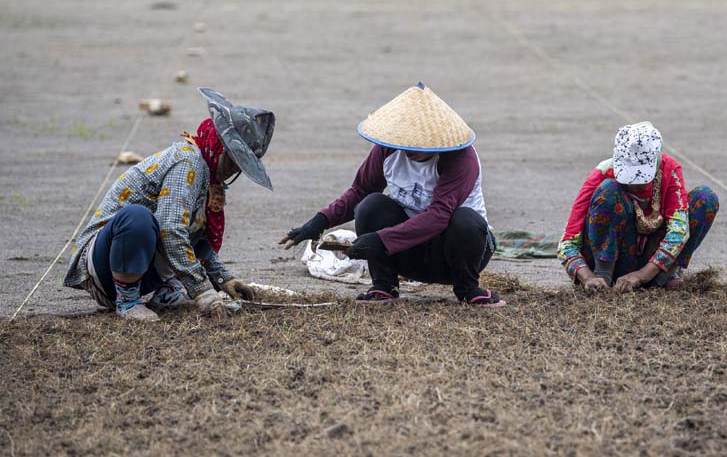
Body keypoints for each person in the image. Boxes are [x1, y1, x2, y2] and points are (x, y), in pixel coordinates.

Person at [280, 82, 505, 307]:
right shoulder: (388, 149)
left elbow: (438, 216)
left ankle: (468, 289)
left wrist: (380, 240)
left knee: (466, 220)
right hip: (408, 254)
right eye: (404, 141)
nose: (408, 149)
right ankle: (384, 286)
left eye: (418, 144)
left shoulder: (461, 159)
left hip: (455, 255)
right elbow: (360, 190)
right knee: (370, 205)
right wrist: (319, 222)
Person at [63, 88, 275, 320]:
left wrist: (224, 278)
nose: (235, 169)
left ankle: (168, 292)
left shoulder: (209, 178)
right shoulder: (188, 161)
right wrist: (202, 291)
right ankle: (127, 300)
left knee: (194, 226)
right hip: (104, 267)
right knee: (137, 217)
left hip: (144, 269)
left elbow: (196, 238)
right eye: (234, 160)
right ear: (218, 147)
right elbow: (170, 228)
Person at [558, 121, 719, 292]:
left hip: (654, 264)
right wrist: (588, 277)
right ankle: (604, 273)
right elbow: (567, 243)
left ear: (656, 163)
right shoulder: (604, 172)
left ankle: (664, 276)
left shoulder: (669, 169)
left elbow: (679, 230)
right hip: (614, 262)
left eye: (641, 178)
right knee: (608, 189)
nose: (634, 185)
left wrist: (642, 275)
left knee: (705, 198)